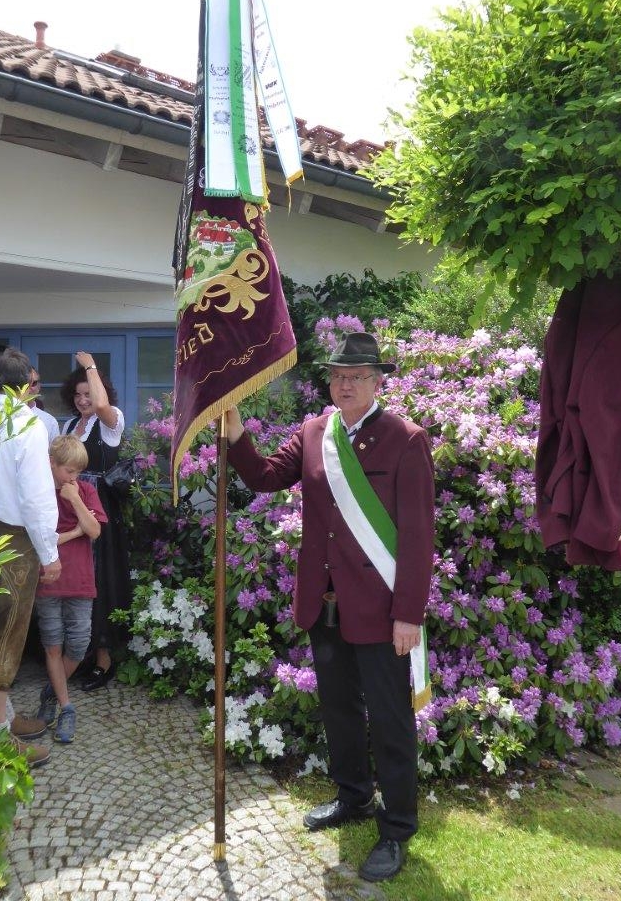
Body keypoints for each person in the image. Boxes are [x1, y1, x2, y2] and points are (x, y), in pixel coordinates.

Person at [225, 332, 435, 883]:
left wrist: (409, 613)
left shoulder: (405, 439)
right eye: (338, 375)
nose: (345, 384)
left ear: (378, 381)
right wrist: (235, 430)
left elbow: (417, 536)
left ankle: (396, 829)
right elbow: (263, 477)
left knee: (391, 723)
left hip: (383, 606)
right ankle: (353, 797)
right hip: (324, 605)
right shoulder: (315, 432)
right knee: (340, 712)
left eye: (357, 376)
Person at [0, 347, 61, 768]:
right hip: (13, 538)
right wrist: (50, 553)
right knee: (7, 631)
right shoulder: (28, 423)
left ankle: (2, 715)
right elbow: (38, 498)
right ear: (25, 384)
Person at [60, 351, 131, 690]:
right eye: (78, 394)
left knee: (101, 578)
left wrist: (91, 368)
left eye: (88, 392)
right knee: (76, 576)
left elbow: (102, 406)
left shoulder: (111, 419)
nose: (83, 399)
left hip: (99, 504)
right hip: (70, 504)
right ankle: (81, 652)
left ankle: (104, 659)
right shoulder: (68, 426)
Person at [34, 435, 107, 743]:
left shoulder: (86, 491)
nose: (74, 477)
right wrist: (72, 532)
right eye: (69, 471)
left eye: (78, 471)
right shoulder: (39, 494)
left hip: (79, 581)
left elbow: (94, 531)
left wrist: (75, 498)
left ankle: (50, 693)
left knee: (78, 646)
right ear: (51, 464)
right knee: (52, 645)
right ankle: (67, 708)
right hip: (47, 581)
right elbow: (42, 538)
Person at [27, 366, 60, 443]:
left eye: (33, 383)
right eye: (25, 383)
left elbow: (56, 454)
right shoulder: (4, 418)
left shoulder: (50, 421)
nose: (28, 388)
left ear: (39, 386)